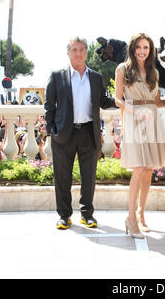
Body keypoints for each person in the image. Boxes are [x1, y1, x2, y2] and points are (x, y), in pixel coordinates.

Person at [44, 37, 117, 230]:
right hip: (63, 134)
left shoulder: (95, 77)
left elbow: (103, 100)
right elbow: (49, 106)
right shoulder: (57, 76)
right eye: (74, 50)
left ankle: (87, 214)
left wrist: (122, 98)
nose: (78, 53)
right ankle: (64, 216)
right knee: (62, 177)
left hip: (88, 132)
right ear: (68, 52)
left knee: (89, 176)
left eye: (81, 49)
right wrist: (51, 130)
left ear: (86, 52)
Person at [114, 33, 165, 238]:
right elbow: (117, 100)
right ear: (132, 48)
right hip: (133, 118)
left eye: (146, 47)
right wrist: (135, 112)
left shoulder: (154, 71)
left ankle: (141, 214)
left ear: (150, 50)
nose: (142, 51)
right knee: (138, 169)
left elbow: (156, 101)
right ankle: (130, 218)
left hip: (152, 119)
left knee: (148, 171)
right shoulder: (122, 69)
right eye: (139, 47)